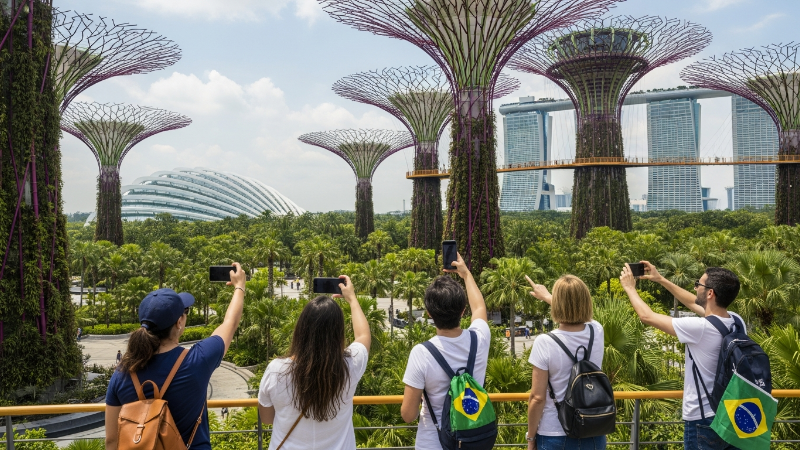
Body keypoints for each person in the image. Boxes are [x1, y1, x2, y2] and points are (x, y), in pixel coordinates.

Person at [105, 263, 248, 450]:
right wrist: (239, 287)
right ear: (179, 322)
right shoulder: (198, 360)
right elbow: (230, 323)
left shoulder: (122, 373)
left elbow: (111, 441)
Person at [619, 262, 743, 450]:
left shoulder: (700, 328)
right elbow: (693, 302)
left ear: (710, 293)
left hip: (703, 419)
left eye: (698, 285)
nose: (695, 288)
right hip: (732, 414)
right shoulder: (736, 321)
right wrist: (660, 279)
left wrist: (629, 288)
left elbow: (648, 317)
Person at [258, 275, 370, 449]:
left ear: (301, 330)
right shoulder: (350, 366)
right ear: (338, 333)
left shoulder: (276, 370)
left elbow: (266, 418)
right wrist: (352, 299)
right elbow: (363, 336)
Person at [400, 253, 490, 450]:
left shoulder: (421, 353)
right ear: (462, 310)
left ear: (429, 313)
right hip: (472, 441)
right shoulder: (479, 339)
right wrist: (465, 274)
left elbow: (408, 415)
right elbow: (480, 307)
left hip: (433, 442)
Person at [525, 275, 607, 450]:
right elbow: (581, 314)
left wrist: (531, 437)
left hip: (555, 433)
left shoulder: (544, 342)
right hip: (593, 430)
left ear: (557, 304)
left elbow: (537, 398)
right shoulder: (596, 331)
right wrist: (548, 296)